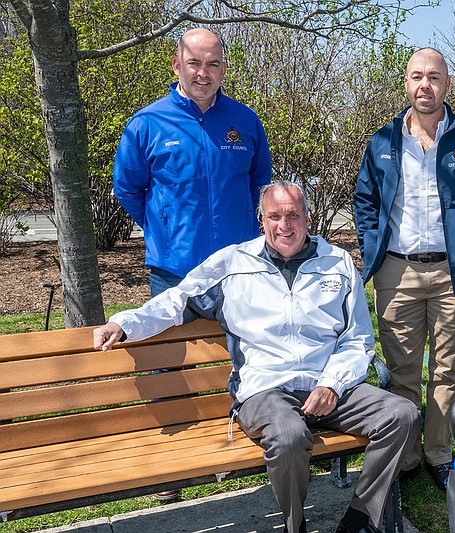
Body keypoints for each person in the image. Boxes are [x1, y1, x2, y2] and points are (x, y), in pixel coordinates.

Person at [93, 181, 419, 533]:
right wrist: (124, 323)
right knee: (289, 436)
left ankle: (360, 519)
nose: (285, 225)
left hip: (328, 388)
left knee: (402, 415)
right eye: (275, 216)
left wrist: (332, 384)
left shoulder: (336, 264)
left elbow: (357, 339)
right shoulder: (234, 264)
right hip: (265, 391)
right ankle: (296, 527)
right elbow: (178, 300)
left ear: (308, 218)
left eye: (293, 215)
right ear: (261, 219)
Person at [353, 47, 455, 491]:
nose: (425, 85)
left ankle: (438, 452)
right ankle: (406, 456)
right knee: (402, 369)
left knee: (448, 368)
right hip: (397, 272)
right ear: (405, 83)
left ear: (447, 84)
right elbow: (366, 202)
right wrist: (372, 244)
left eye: (434, 77)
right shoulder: (382, 142)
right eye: (417, 76)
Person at [113, 27, 272, 297]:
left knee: (238, 341)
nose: (203, 73)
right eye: (194, 63)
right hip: (174, 271)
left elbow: (259, 184)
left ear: (223, 69)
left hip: (237, 265)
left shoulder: (246, 120)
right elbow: (127, 189)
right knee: (175, 341)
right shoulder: (147, 123)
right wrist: (163, 227)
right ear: (177, 66)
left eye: (212, 64)